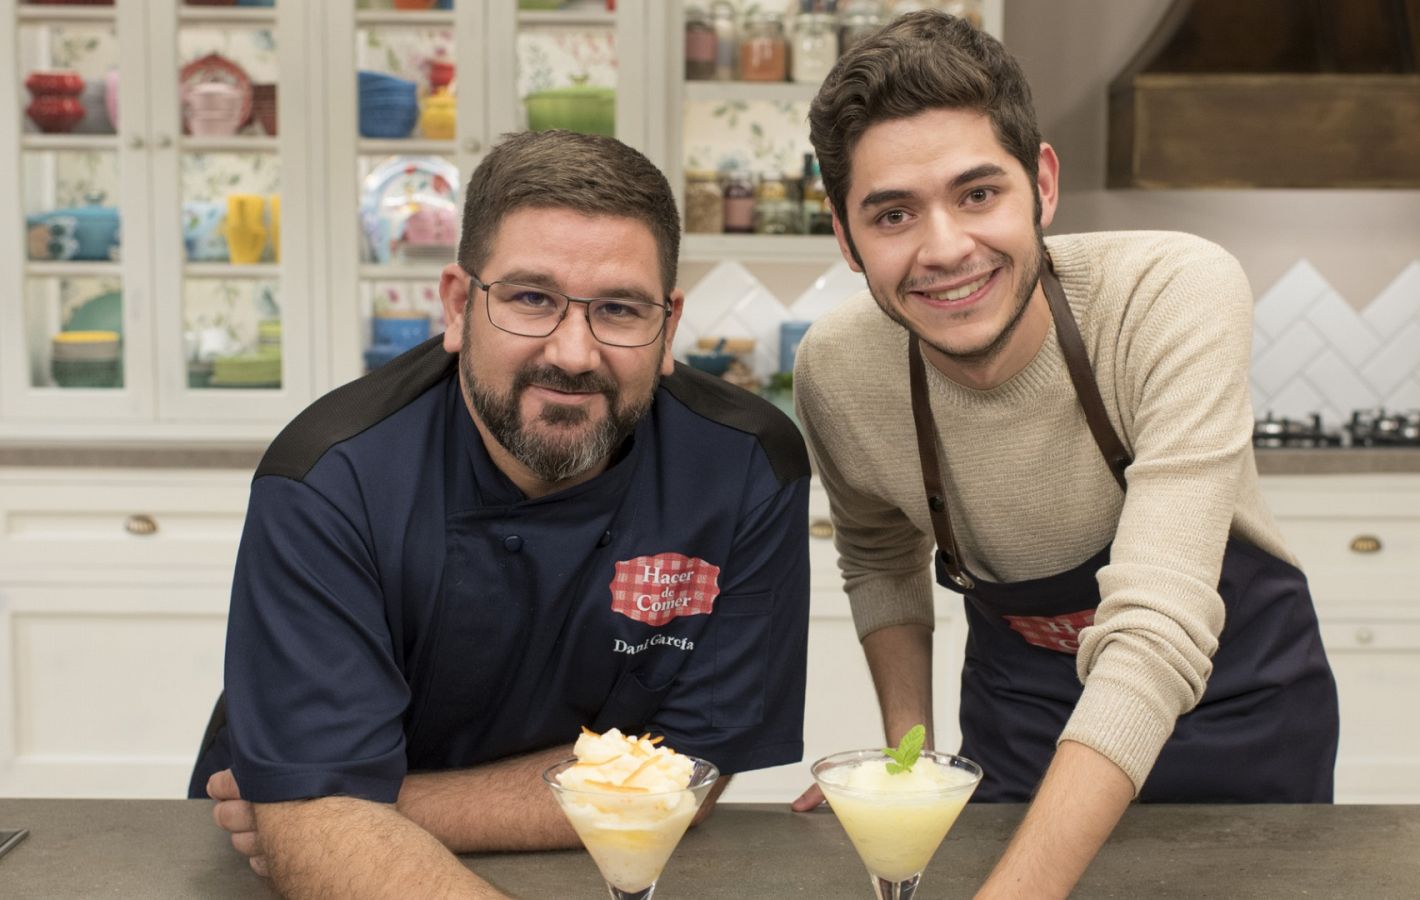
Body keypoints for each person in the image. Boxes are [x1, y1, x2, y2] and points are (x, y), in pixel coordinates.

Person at [791, 11, 1338, 896]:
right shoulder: (837, 369)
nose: (944, 250)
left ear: (1040, 184)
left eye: (978, 194)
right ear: (846, 238)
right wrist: (909, 766)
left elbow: (1157, 628)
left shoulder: (1170, 293)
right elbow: (879, 549)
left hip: (1237, 714)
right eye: (892, 213)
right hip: (1020, 718)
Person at [187, 130, 811, 898]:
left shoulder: (745, 468)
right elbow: (317, 841)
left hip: (590, 865)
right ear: (457, 305)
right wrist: (320, 815)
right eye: (531, 298)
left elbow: (687, 775)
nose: (574, 352)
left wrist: (360, 802)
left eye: (619, 309)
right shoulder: (329, 479)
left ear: (669, 326)